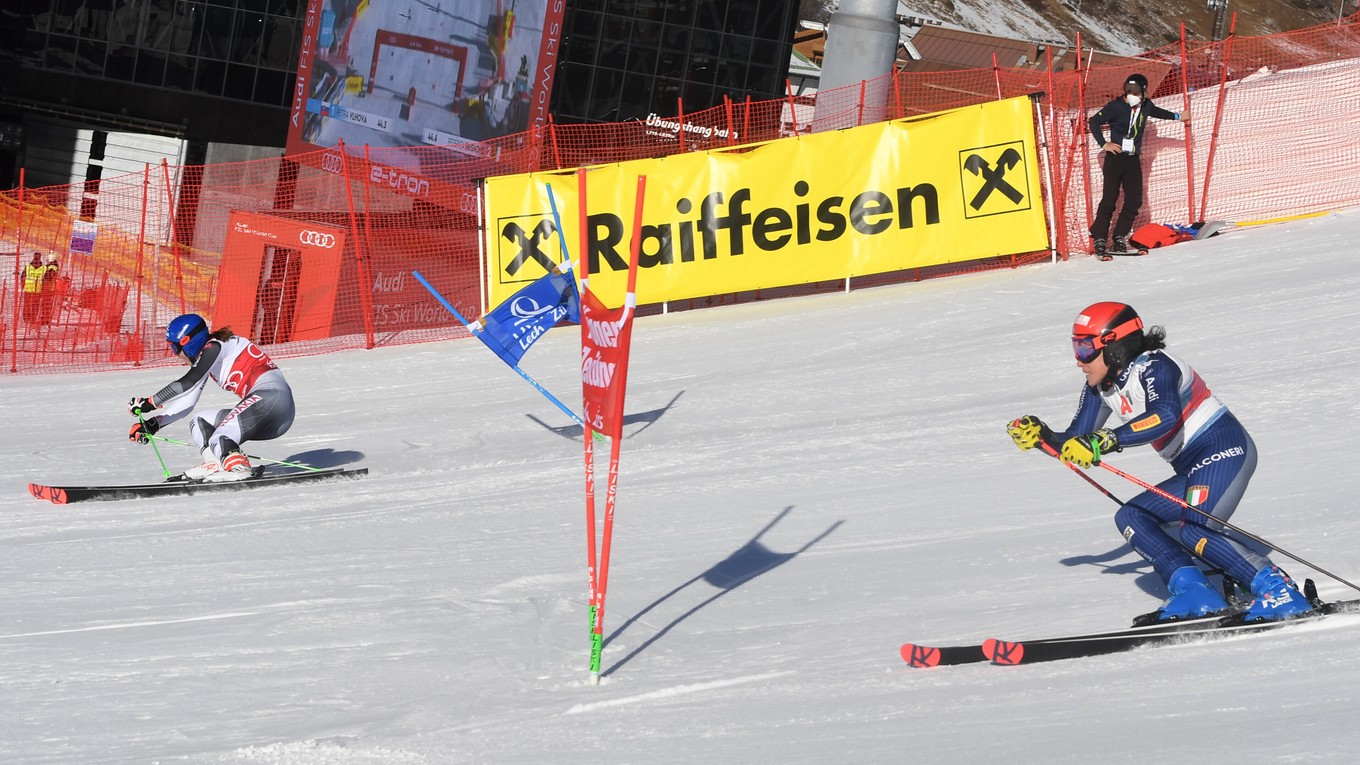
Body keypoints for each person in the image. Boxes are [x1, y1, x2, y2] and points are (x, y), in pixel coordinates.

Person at [1005, 302, 1313, 624]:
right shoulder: (1100, 387)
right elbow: (1075, 442)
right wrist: (1041, 438)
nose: (1078, 359)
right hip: (1192, 467)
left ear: (1114, 346)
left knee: (1196, 529)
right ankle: (1196, 592)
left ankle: (1280, 592)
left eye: (1084, 348)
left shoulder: (1155, 366)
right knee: (1132, 516)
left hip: (1224, 450)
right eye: (1075, 347)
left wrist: (1106, 440)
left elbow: (1164, 416)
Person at [126, 314, 296, 482]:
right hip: (267, 413)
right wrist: (155, 423)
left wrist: (150, 402)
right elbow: (188, 399)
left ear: (188, 342)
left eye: (175, 348)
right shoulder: (210, 355)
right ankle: (215, 463)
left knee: (220, 437)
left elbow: (188, 382)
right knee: (199, 421)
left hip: (272, 399)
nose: (176, 354)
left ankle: (238, 468)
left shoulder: (215, 346)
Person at [1087, 73, 1188, 256]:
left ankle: (1119, 235)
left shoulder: (1145, 106)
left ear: (1143, 92)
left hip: (1132, 159)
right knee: (1110, 199)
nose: (1131, 95)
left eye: (1135, 91)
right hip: (1115, 158)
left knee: (1134, 200)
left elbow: (1158, 112)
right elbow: (1094, 122)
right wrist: (1104, 144)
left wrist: (1178, 116)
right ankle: (1100, 236)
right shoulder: (1116, 106)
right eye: (1128, 91)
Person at [22, 252, 47, 326]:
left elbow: (45, 279)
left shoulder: (43, 268)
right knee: (28, 305)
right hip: (29, 290)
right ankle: (27, 319)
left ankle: (32, 319)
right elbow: (23, 276)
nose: (36, 259)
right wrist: (23, 285)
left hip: (37, 290)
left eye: (37, 258)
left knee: (34, 306)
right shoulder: (28, 266)